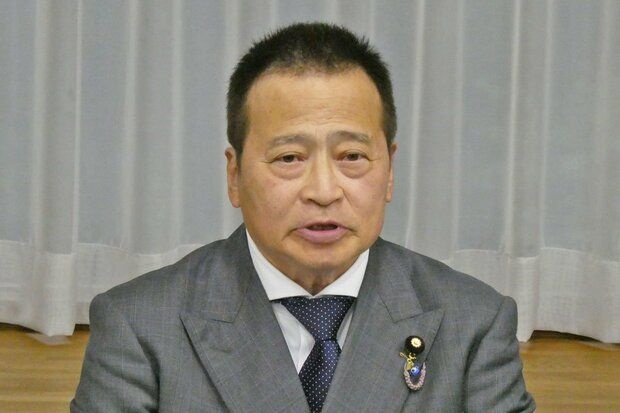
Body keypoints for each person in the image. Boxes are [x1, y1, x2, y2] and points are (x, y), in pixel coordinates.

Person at [71, 22, 535, 412]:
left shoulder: (474, 323)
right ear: (234, 176)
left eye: (352, 156)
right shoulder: (138, 327)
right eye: (289, 158)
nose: (324, 191)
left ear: (390, 171)